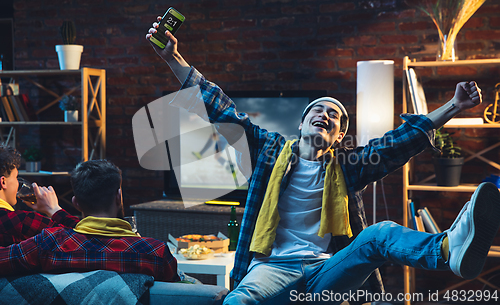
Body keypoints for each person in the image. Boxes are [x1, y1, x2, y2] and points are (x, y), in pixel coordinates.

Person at [146, 21, 500, 303]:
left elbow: (396, 144)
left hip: (324, 274)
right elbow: (222, 108)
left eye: (335, 116)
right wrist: (172, 59)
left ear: (338, 136)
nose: (326, 116)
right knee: (236, 302)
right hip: (271, 268)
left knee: (379, 234)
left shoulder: (346, 167)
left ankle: (448, 249)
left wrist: (453, 107)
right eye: (319, 110)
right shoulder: (268, 151)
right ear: (301, 123)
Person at [0, 159, 180, 282]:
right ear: (119, 197)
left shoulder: (49, 243)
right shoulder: (155, 252)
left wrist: (55, 211)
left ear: (76, 203)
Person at [0, 145, 80, 246]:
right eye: (16, 177)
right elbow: (80, 238)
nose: (18, 183)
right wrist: (54, 209)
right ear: (3, 182)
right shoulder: (22, 221)